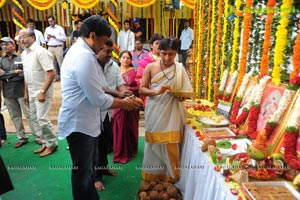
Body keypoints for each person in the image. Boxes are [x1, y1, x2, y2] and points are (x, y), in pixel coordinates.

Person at [58, 15, 140, 200]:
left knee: (89, 166)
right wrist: (124, 103)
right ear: (93, 35)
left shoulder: (82, 53)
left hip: (88, 122)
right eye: (103, 42)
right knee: (83, 173)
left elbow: (96, 89)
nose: (104, 47)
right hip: (80, 124)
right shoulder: (83, 56)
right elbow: (97, 98)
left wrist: (120, 96)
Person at [139, 38, 193, 183]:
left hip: (173, 110)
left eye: (171, 54)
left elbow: (185, 92)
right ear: (158, 51)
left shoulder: (179, 68)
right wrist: (157, 92)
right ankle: (153, 177)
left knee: (171, 142)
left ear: (176, 53)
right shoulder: (151, 67)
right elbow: (142, 89)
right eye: (164, 54)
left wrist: (181, 97)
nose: (167, 58)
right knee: (154, 144)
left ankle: (171, 177)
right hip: (155, 109)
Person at [94, 40, 133, 191]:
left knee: (105, 144)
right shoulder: (91, 66)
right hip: (93, 112)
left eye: (111, 51)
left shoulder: (114, 66)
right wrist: (120, 95)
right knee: (95, 146)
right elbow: (98, 89)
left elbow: (120, 84)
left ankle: (103, 168)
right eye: (107, 51)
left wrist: (126, 95)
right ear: (98, 49)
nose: (110, 54)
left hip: (108, 112)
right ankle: (96, 178)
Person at [19, 29, 58, 157]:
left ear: (33, 37)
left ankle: (52, 144)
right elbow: (26, 75)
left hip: (42, 92)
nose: (22, 40)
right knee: (35, 119)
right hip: (31, 91)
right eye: (20, 38)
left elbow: (51, 73)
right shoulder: (24, 54)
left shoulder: (41, 52)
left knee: (42, 118)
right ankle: (46, 142)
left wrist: (42, 91)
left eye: (24, 36)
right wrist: (26, 92)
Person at [0, 37, 42, 148]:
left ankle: (38, 136)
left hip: (21, 90)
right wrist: (15, 72)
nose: (5, 46)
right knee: (15, 116)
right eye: (3, 44)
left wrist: (26, 93)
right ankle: (22, 137)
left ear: (14, 45)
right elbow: (0, 75)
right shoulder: (1, 60)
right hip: (8, 92)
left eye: (7, 44)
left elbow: (25, 75)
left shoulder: (21, 57)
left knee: (30, 115)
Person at [112, 50, 140, 164]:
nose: (125, 59)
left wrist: (130, 92)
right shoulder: (114, 71)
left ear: (131, 60)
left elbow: (138, 88)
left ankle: (131, 149)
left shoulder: (134, 71)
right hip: (119, 102)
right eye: (123, 57)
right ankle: (120, 151)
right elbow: (111, 86)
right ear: (119, 59)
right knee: (119, 125)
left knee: (130, 126)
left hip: (132, 102)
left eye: (128, 58)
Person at [44, 15, 66, 81]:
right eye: (49, 22)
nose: (50, 23)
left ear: (54, 20)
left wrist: (55, 37)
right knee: (51, 63)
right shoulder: (47, 29)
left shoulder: (60, 28)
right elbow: (45, 40)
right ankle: (55, 77)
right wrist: (47, 38)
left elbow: (64, 38)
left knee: (60, 62)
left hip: (58, 47)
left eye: (51, 21)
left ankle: (63, 77)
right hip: (50, 47)